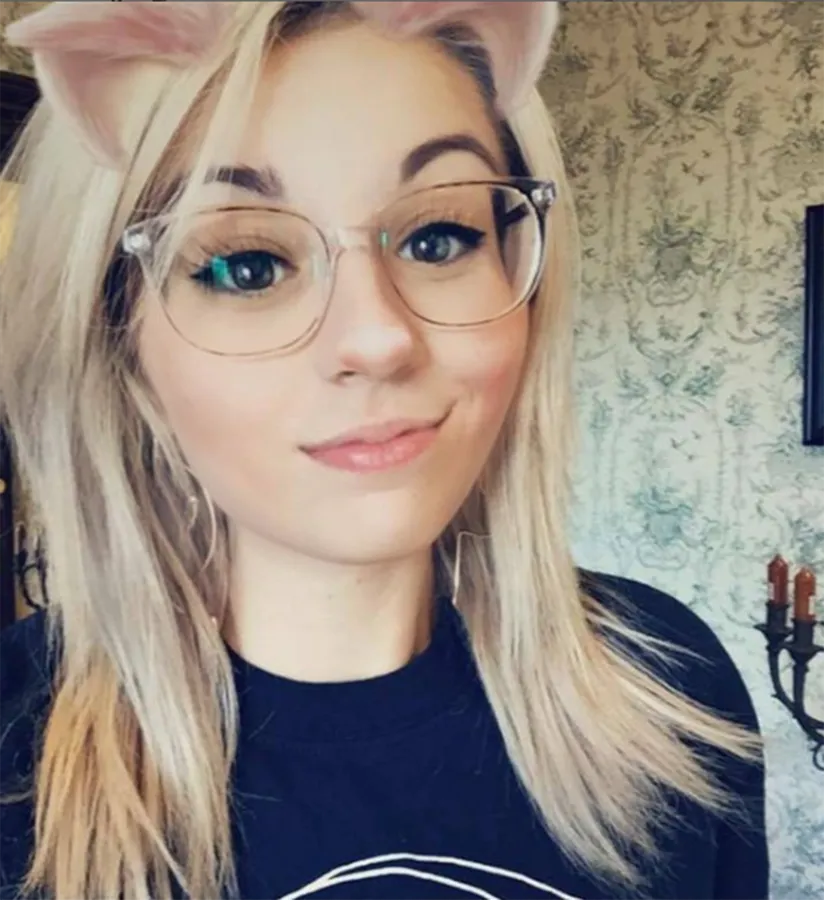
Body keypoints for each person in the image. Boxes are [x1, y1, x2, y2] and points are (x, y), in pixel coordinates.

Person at [0, 2, 768, 899]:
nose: (378, 338)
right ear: (120, 345)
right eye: (249, 265)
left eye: (438, 238)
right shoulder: (17, 748)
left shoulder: (667, 684)